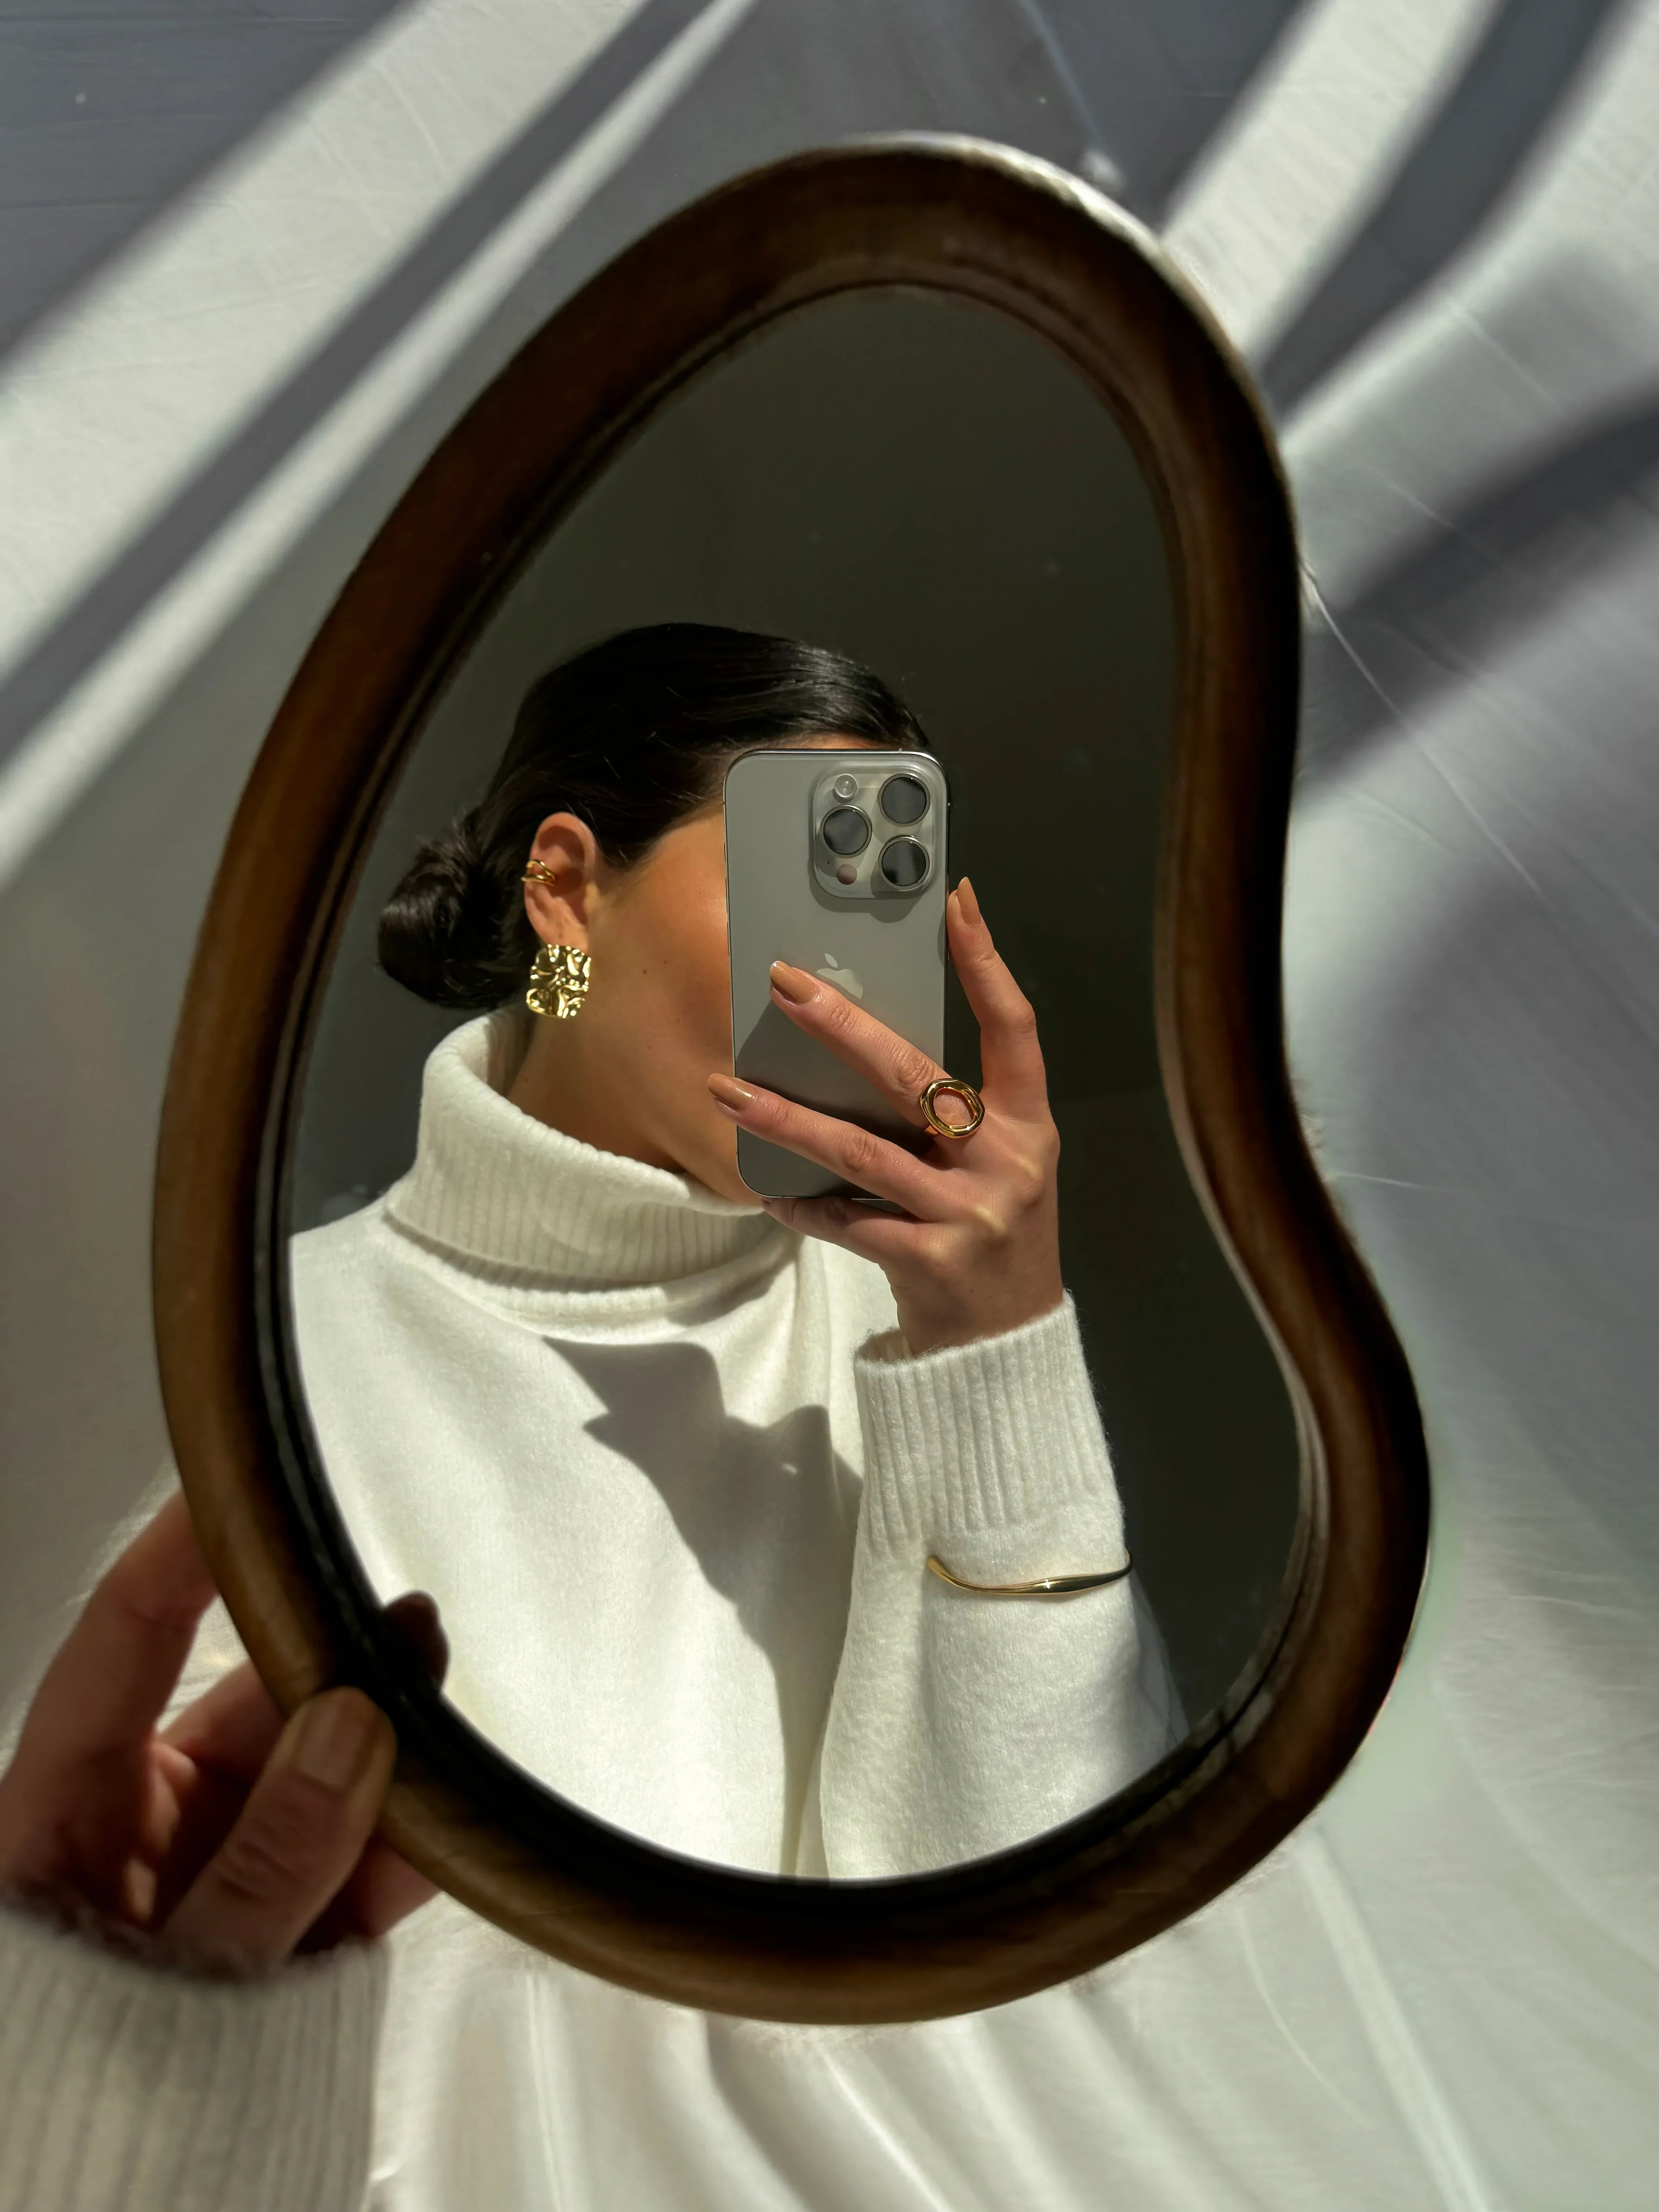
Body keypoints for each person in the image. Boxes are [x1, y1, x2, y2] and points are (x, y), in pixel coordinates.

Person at [0, 624, 1181, 2209]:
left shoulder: (924, 1337)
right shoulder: (252, 1353)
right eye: (803, 875)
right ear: (564, 887)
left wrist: (1003, 1366)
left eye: (879, 897)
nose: (841, 971)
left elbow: (1079, 2033)